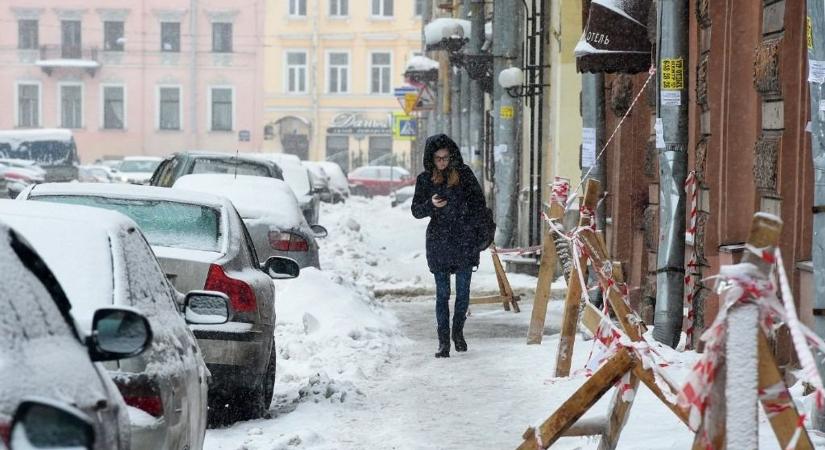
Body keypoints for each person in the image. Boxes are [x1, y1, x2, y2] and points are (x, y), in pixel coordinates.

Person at [411, 134, 485, 358]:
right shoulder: (425, 179)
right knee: (443, 294)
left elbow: (479, 204)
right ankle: (443, 341)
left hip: (463, 241)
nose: (442, 162)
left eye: (445, 157)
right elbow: (416, 211)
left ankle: (458, 333)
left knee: (463, 293)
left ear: (451, 157)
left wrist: (472, 225)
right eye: (438, 158)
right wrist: (431, 205)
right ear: (431, 159)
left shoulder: (464, 175)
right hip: (439, 241)